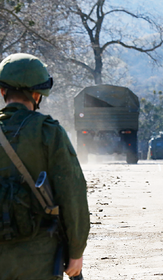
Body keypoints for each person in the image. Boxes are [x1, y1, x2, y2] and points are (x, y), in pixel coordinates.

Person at [0, 53, 90, 279]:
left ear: (3, 91)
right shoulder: (48, 132)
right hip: (39, 256)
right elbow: (72, 193)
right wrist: (76, 251)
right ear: (37, 94)